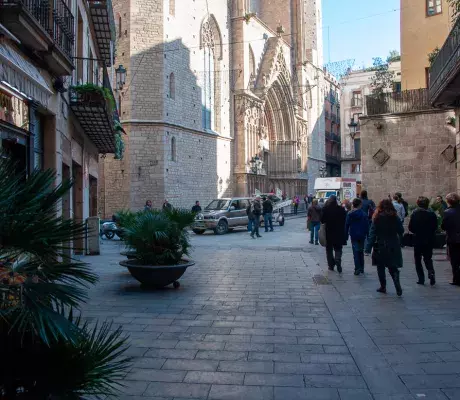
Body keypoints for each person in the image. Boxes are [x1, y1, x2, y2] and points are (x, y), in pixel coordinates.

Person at [365, 199, 404, 296]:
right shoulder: (395, 217)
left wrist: (368, 248)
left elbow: (372, 233)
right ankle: (396, 279)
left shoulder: (377, 217)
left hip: (380, 245)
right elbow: (401, 230)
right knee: (392, 265)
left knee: (380, 266)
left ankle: (383, 286)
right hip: (393, 244)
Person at [408, 196, 437, 286]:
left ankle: (421, 279)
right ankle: (431, 271)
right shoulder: (432, 214)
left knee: (418, 259)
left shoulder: (415, 213)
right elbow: (435, 227)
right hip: (429, 239)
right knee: (428, 258)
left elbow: (411, 227)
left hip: (418, 239)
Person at [321, 195, 347, 273]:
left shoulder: (325, 209)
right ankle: (338, 259)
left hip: (329, 232)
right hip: (339, 232)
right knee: (338, 248)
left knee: (329, 249)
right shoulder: (341, 209)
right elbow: (345, 220)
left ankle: (331, 265)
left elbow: (322, 220)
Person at [345, 198, 369, 275]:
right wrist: (368, 235)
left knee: (355, 252)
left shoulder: (350, 214)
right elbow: (367, 226)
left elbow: (347, 225)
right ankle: (362, 268)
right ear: (360, 205)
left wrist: (346, 236)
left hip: (354, 234)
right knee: (361, 251)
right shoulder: (364, 214)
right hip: (362, 235)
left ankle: (357, 268)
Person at [441, 193, 460, 286]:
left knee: (455, 260)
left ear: (448, 202)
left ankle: (456, 279)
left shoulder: (447, 212)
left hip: (453, 239)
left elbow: (444, 226)